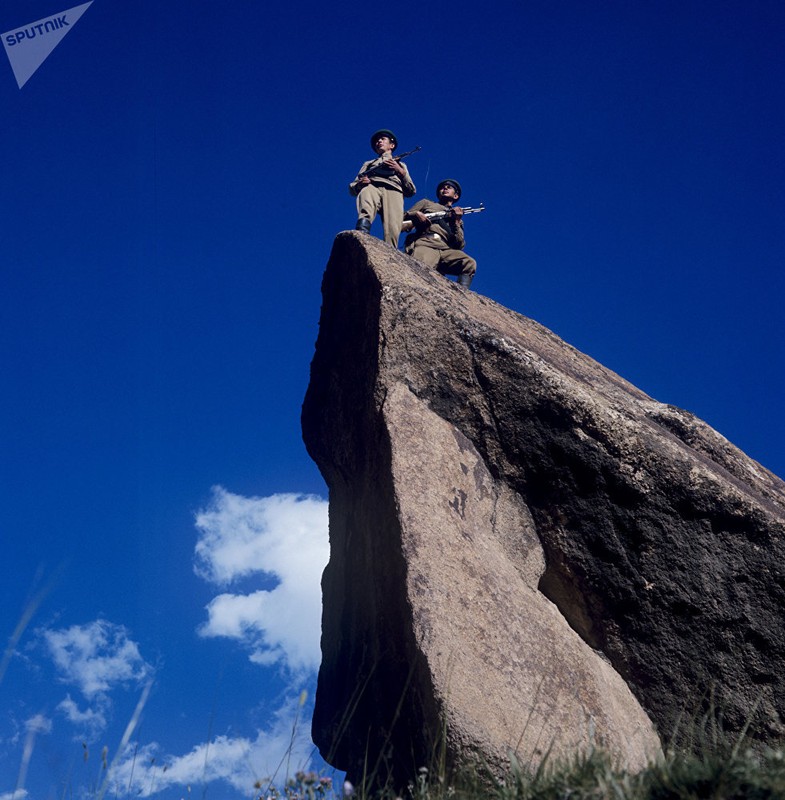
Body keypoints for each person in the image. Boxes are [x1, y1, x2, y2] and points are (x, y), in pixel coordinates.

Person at [402, 179, 477, 289]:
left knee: (469, 263)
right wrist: (416, 214)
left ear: (455, 196)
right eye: (443, 187)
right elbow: (403, 217)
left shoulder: (458, 218)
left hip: (445, 249)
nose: (445, 188)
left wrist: (456, 221)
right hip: (426, 243)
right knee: (419, 273)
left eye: (449, 187)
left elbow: (459, 245)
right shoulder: (426, 203)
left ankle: (461, 297)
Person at [349, 129, 416, 248]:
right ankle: (362, 232)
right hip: (373, 185)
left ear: (392, 145)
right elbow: (353, 187)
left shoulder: (401, 164)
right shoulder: (369, 163)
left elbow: (411, 190)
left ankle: (390, 253)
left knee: (393, 226)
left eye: (383, 139)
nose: (379, 141)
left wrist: (399, 170)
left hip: (394, 190)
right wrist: (361, 183)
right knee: (366, 195)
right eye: (376, 141)